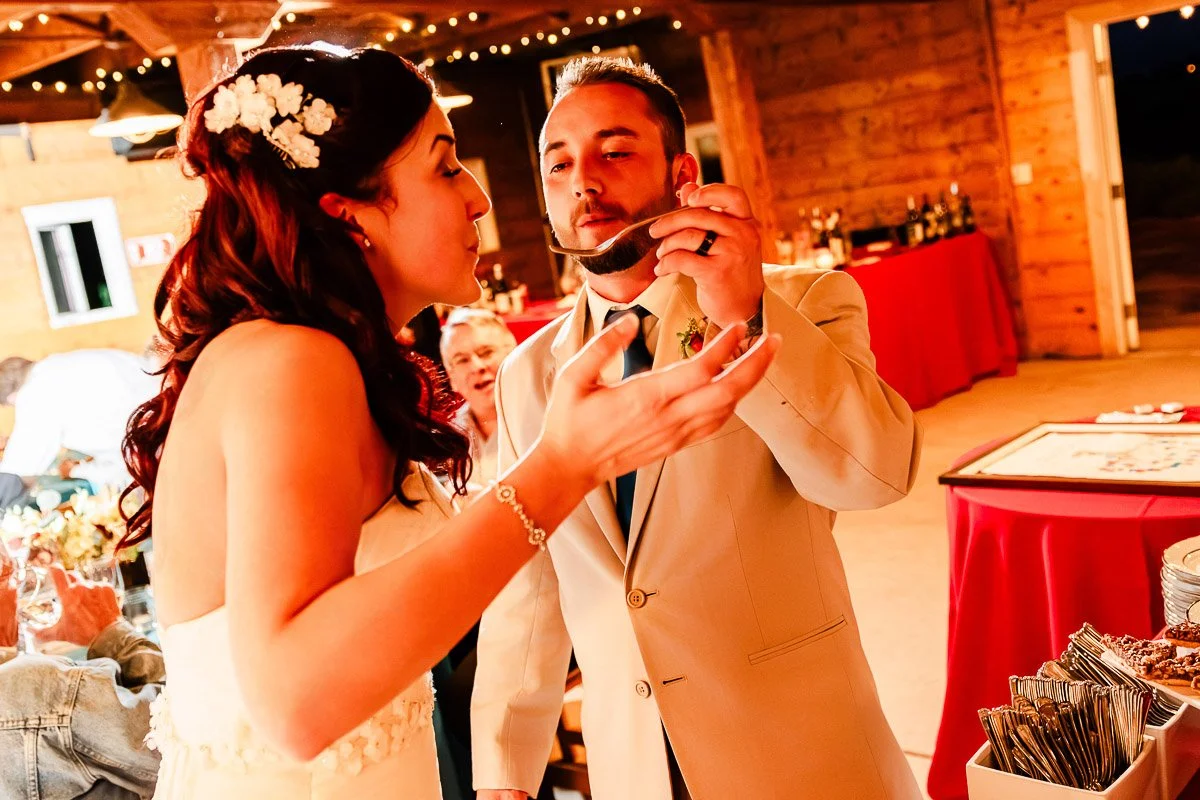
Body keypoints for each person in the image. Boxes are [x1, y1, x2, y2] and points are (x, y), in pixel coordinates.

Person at [122, 46, 777, 800]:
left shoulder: (316, 356)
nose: (478, 197)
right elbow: (296, 704)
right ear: (350, 213)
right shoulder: (291, 361)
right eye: (444, 166)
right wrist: (560, 468)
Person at [471, 57, 923, 800]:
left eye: (615, 152)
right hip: (633, 767)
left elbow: (873, 474)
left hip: (799, 751)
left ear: (682, 172)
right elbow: (533, 587)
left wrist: (744, 315)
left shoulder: (804, 299)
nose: (583, 181)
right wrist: (502, 771)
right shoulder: (527, 376)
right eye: (559, 164)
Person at [0, 559, 165, 799]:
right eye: (9, 571)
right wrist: (110, 629)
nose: (20, 582)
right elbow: (181, 737)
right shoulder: (23, 691)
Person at [0, 350, 158, 492]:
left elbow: (19, 467)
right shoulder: (58, 363)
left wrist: (77, 471)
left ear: (11, 398)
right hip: (165, 408)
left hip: (155, 443)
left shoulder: (34, 393)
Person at [439, 307, 519, 494]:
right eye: (462, 360)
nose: (477, 367)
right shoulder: (450, 437)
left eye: (486, 352)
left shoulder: (544, 417)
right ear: (452, 378)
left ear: (515, 354)